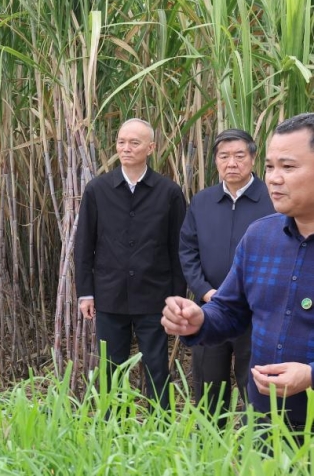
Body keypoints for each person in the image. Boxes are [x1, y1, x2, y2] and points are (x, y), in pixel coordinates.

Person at [163, 113, 314, 431]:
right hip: (265, 420)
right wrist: (199, 319)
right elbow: (231, 310)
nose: (274, 178)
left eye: (288, 167)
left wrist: (311, 375)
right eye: (270, 167)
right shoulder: (260, 237)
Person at [75, 118, 186, 409]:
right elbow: (84, 244)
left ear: (151, 148)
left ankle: (160, 424)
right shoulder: (98, 190)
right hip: (110, 294)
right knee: (111, 367)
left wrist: (176, 297)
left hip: (155, 295)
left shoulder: (169, 192)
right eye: (121, 142)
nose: (126, 148)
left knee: (157, 366)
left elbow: (178, 249)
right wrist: (85, 293)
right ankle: (111, 425)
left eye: (134, 143)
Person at [179, 129, 274, 423]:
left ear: (253, 158)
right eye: (224, 156)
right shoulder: (202, 201)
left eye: (239, 156)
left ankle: (258, 446)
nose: (231, 163)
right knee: (208, 390)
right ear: (216, 162)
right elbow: (188, 251)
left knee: (256, 391)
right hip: (211, 310)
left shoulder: (272, 200)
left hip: (257, 313)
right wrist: (206, 292)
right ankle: (210, 444)